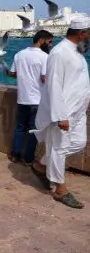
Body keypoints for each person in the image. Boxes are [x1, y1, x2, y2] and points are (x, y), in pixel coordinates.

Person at [30, 18, 90, 209]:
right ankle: (60, 189)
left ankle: (41, 165)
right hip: (64, 112)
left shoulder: (76, 53)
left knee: (78, 143)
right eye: (88, 34)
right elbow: (53, 86)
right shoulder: (59, 53)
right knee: (59, 148)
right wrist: (60, 116)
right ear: (81, 34)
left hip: (78, 112)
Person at [6, 30, 53, 164]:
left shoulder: (19, 54)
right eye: (49, 42)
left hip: (22, 98)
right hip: (37, 100)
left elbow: (13, 73)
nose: (50, 45)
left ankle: (15, 155)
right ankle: (28, 158)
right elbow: (44, 78)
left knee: (20, 128)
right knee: (34, 130)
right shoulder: (44, 57)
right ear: (41, 40)